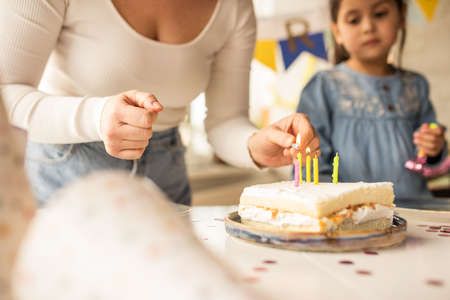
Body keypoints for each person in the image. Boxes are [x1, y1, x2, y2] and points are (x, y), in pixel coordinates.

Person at [0, 0, 319, 205]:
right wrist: (96, 117)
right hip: (63, 179)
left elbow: (225, 122)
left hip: (167, 178)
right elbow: (6, 92)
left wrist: (255, 145)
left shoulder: (234, 8)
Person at [297, 0, 447, 198]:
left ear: (401, 17)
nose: (368, 27)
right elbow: (310, 165)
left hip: (415, 212)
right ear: (337, 32)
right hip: (351, 217)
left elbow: (430, 159)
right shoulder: (323, 87)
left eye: (380, 14)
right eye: (354, 20)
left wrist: (435, 148)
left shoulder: (416, 85)